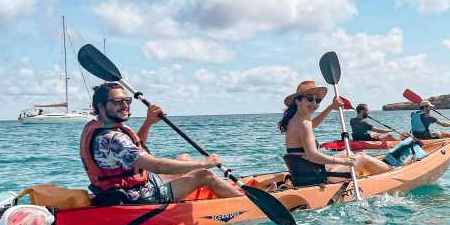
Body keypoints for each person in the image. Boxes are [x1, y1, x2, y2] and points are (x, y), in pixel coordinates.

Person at [79, 82, 241, 205]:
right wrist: (204, 163)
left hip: (129, 187)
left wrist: (148, 122)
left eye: (127, 100)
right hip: (138, 196)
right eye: (117, 102)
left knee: (184, 158)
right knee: (205, 175)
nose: (125, 105)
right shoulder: (112, 138)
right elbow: (156, 166)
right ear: (101, 106)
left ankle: (223, 191)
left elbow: (135, 148)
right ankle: (245, 204)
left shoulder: (104, 127)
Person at [279, 80, 391, 187]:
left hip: (306, 174)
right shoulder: (303, 123)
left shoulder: (294, 121)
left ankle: (374, 170)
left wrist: (331, 107)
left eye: (317, 100)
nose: (314, 103)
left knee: (349, 152)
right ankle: (391, 173)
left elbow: (312, 125)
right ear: (297, 101)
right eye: (309, 99)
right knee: (361, 157)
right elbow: (312, 155)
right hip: (318, 177)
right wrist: (343, 162)